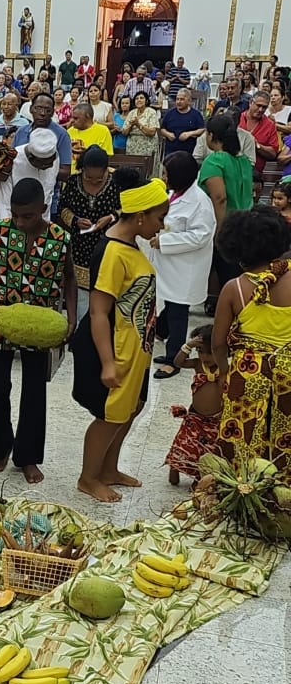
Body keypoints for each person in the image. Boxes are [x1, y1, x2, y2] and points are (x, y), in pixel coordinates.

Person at [71, 173, 169, 503]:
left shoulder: (130, 245)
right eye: (160, 218)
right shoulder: (113, 252)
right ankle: (88, 478)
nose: (162, 226)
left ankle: (109, 469)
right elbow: (99, 312)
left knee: (132, 408)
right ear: (140, 216)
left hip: (134, 346)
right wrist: (108, 362)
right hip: (111, 348)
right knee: (109, 415)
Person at [0, 176, 77, 484]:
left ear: (44, 208)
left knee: (34, 391)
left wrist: (71, 317)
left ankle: (27, 457)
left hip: (40, 323)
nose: (21, 222)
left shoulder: (60, 238)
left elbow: (70, 280)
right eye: (16, 215)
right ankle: (2, 447)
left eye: (28, 216)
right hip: (3, 318)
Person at [211, 208, 291, 482]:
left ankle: (242, 488)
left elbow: (218, 343)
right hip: (289, 370)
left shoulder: (235, 288)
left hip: (248, 374)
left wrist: (223, 371)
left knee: (243, 437)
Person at [144, 152, 215, 378]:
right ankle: (167, 349)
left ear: (180, 176)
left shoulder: (200, 203)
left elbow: (200, 236)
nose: (163, 177)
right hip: (171, 265)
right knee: (171, 307)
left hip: (186, 268)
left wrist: (164, 241)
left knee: (178, 313)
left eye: (166, 173)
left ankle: (174, 359)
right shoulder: (175, 193)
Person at [59, 145, 122, 320]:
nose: (94, 181)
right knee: (82, 299)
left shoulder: (116, 182)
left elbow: (125, 210)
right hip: (80, 247)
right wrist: (75, 220)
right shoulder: (73, 182)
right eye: (89, 177)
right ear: (82, 169)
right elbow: (63, 209)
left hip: (107, 246)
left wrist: (110, 217)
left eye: (99, 178)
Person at [165, 325, 222, 485]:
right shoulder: (198, 364)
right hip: (194, 417)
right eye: (200, 351)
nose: (205, 356)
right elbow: (178, 362)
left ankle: (200, 479)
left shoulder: (225, 369)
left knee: (207, 450)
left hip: (215, 420)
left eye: (210, 352)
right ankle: (174, 469)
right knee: (184, 444)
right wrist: (188, 345)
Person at [12, 91, 73, 183]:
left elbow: (66, 172)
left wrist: (41, 166)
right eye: (38, 108)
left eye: (47, 110)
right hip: (19, 189)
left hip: (47, 193)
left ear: (53, 112)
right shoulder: (21, 132)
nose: (42, 113)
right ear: (31, 109)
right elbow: (11, 161)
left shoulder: (61, 135)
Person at [1, 128, 60, 221]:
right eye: (46, 164)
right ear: (31, 158)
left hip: (43, 224)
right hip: (16, 225)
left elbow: (49, 194)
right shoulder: (12, 161)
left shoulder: (53, 158)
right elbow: (4, 203)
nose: (52, 166)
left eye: (52, 161)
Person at [239, 92, 280, 175]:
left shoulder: (269, 125)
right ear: (250, 103)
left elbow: (273, 153)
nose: (261, 109)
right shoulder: (237, 118)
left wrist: (257, 146)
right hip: (233, 171)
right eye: (258, 105)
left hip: (255, 175)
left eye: (264, 107)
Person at [68, 102, 114, 173]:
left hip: (92, 175)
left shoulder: (103, 131)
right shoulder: (70, 131)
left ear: (87, 116)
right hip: (71, 175)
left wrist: (87, 155)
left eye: (76, 118)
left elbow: (107, 158)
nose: (72, 121)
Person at [159, 88, 205, 156]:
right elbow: (162, 129)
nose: (179, 102)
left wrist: (189, 134)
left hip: (188, 152)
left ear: (189, 101)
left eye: (182, 99)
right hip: (170, 151)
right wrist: (168, 134)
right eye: (177, 99)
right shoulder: (170, 113)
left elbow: (202, 129)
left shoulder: (196, 114)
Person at [120, 91, 159, 163]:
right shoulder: (132, 113)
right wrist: (131, 125)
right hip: (132, 148)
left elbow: (152, 132)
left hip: (147, 148)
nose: (139, 100)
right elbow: (124, 132)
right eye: (137, 98)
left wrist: (138, 124)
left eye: (141, 98)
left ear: (146, 101)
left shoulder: (151, 112)